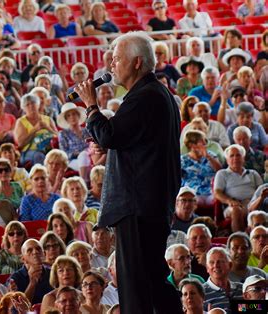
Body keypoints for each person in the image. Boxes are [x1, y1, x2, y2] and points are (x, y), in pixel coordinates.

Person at [74, 32, 183, 313]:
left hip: (138, 207)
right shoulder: (159, 95)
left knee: (138, 285)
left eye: (117, 58)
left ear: (136, 62)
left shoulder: (145, 96)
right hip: (148, 204)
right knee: (151, 280)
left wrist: (90, 106)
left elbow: (110, 136)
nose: (111, 65)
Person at [214, 145, 263, 232]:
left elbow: (261, 190)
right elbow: (217, 193)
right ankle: (240, 238)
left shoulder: (253, 173)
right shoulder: (222, 173)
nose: (235, 158)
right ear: (227, 160)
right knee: (236, 209)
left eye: (238, 155)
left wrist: (255, 201)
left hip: (252, 203)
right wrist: (230, 201)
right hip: (232, 205)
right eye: (232, 156)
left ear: (243, 158)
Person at [181, 130, 221, 207]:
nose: (205, 144)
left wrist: (208, 157)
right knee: (193, 201)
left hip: (210, 192)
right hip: (192, 192)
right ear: (191, 145)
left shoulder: (211, 155)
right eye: (201, 141)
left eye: (204, 141)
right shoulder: (183, 160)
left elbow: (220, 171)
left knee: (216, 201)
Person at [10, 239, 53, 305]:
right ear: (23, 259)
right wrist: (32, 283)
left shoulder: (53, 273)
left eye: (38, 249)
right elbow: (19, 307)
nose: (35, 252)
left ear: (44, 254)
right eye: (29, 250)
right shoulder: (15, 279)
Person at [202, 248, 243, 312]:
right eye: (212, 262)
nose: (216, 265)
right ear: (207, 268)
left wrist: (241, 307)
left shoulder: (242, 288)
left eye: (220, 261)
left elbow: (259, 307)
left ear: (230, 265)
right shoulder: (200, 292)